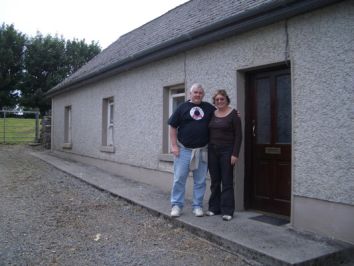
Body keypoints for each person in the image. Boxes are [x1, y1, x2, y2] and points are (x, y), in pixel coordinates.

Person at [168, 83, 215, 217]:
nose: (198, 95)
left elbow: (222, 114)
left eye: (200, 92)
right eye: (195, 92)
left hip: (202, 150)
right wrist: (174, 146)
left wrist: (234, 113)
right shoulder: (182, 107)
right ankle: (176, 205)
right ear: (190, 94)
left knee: (200, 181)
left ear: (203, 95)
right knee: (179, 179)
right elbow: (172, 126)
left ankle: (197, 206)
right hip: (183, 150)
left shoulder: (209, 108)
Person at [206, 89, 242, 221]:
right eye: (217, 100)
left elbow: (239, 136)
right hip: (212, 151)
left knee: (227, 181)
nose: (220, 101)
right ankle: (214, 208)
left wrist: (235, 154)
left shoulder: (234, 115)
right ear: (214, 102)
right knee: (215, 181)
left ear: (227, 100)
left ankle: (227, 210)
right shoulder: (212, 113)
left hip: (227, 151)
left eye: (222, 99)